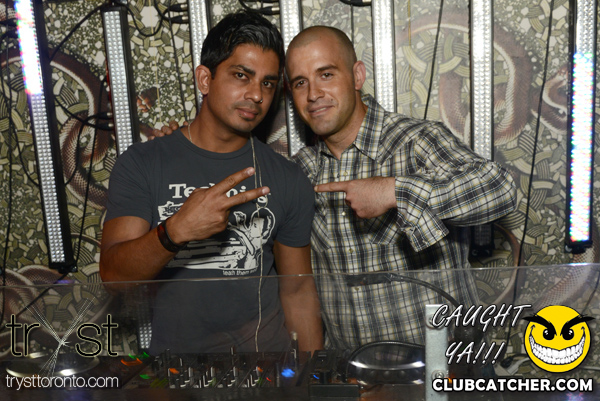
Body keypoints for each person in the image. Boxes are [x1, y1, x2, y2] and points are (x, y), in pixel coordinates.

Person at [100, 11, 323, 355]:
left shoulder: (288, 177)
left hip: (265, 365)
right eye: (241, 75)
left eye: (267, 83)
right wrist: (175, 230)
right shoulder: (143, 163)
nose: (256, 95)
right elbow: (114, 278)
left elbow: (297, 292)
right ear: (205, 80)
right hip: (176, 369)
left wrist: (313, 376)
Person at [285, 26, 517, 350]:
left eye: (326, 74)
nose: (313, 94)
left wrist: (395, 192)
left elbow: (500, 188)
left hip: (444, 366)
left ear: (357, 75)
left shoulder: (414, 142)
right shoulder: (301, 171)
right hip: (356, 372)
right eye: (300, 82)